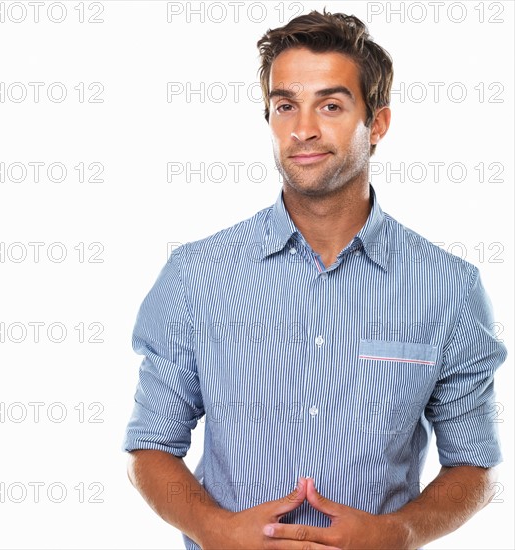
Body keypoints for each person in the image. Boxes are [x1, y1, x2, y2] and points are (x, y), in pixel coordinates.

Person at [122, 10, 506, 550]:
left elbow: (475, 466)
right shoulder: (194, 276)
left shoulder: (450, 289)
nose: (303, 129)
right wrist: (216, 530)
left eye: (330, 105)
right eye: (285, 106)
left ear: (377, 124)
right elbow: (150, 446)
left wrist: (396, 533)